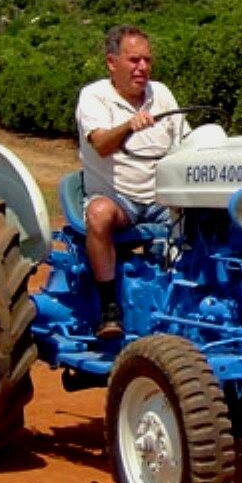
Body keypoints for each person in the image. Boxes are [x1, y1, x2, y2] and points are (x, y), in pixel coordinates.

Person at [75, 24, 183, 339]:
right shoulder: (94, 96)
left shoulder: (160, 93)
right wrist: (128, 126)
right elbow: (102, 144)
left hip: (161, 200)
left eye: (147, 60)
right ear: (112, 63)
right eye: (134, 60)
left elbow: (183, 139)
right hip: (119, 199)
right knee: (99, 214)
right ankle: (110, 308)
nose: (143, 68)